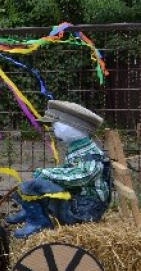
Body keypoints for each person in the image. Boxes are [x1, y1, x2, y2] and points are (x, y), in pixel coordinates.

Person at [6, 100, 111, 239]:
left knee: (35, 185)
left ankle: (38, 221)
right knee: (40, 181)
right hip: (79, 203)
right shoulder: (79, 149)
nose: (52, 128)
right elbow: (69, 170)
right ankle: (32, 212)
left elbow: (83, 176)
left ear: (72, 126)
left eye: (55, 124)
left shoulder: (90, 154)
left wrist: (48, 174)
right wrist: (47, 174)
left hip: (84, 211)